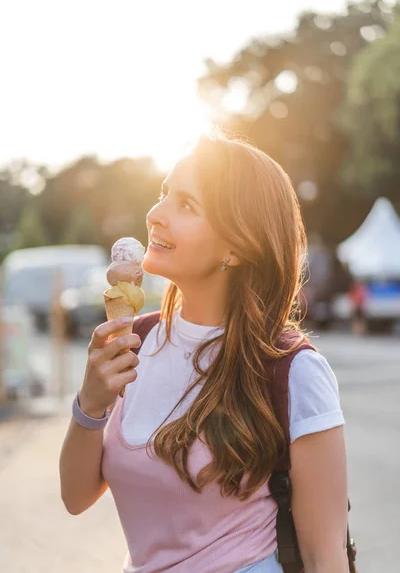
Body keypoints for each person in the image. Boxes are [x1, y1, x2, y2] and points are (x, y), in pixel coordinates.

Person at [59, 132, 349, 572]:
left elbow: (323, 557)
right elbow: (75, 498)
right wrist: (91, 404)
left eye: (186, 205)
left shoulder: (293, 371)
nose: (155, 215)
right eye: (163, 194)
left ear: (236, 245)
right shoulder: (133, 340)